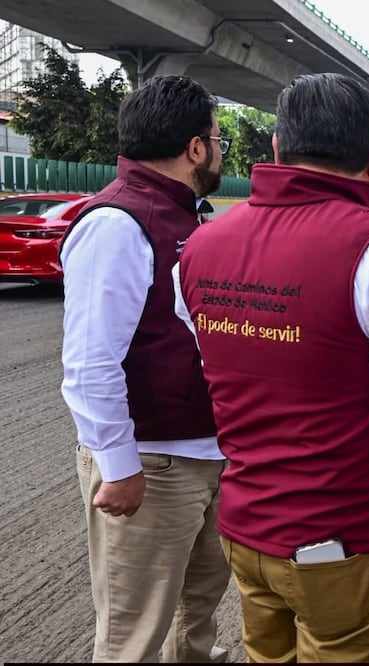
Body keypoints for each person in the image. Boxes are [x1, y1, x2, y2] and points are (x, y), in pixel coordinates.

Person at [174, 72, 369, 663]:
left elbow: (221, 368)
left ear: (274, 150)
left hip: (247, 537)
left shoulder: (199, 247)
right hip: (349, 548)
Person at [59, 75, 231, 662]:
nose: (220, 149)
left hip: (207, 454)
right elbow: (89, 362)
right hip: (152, 466)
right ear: (195, 148)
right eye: (217, 137)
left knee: (198, 617)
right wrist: (119, 464)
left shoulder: (182, 216)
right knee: (132, 639)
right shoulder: (118, 222)